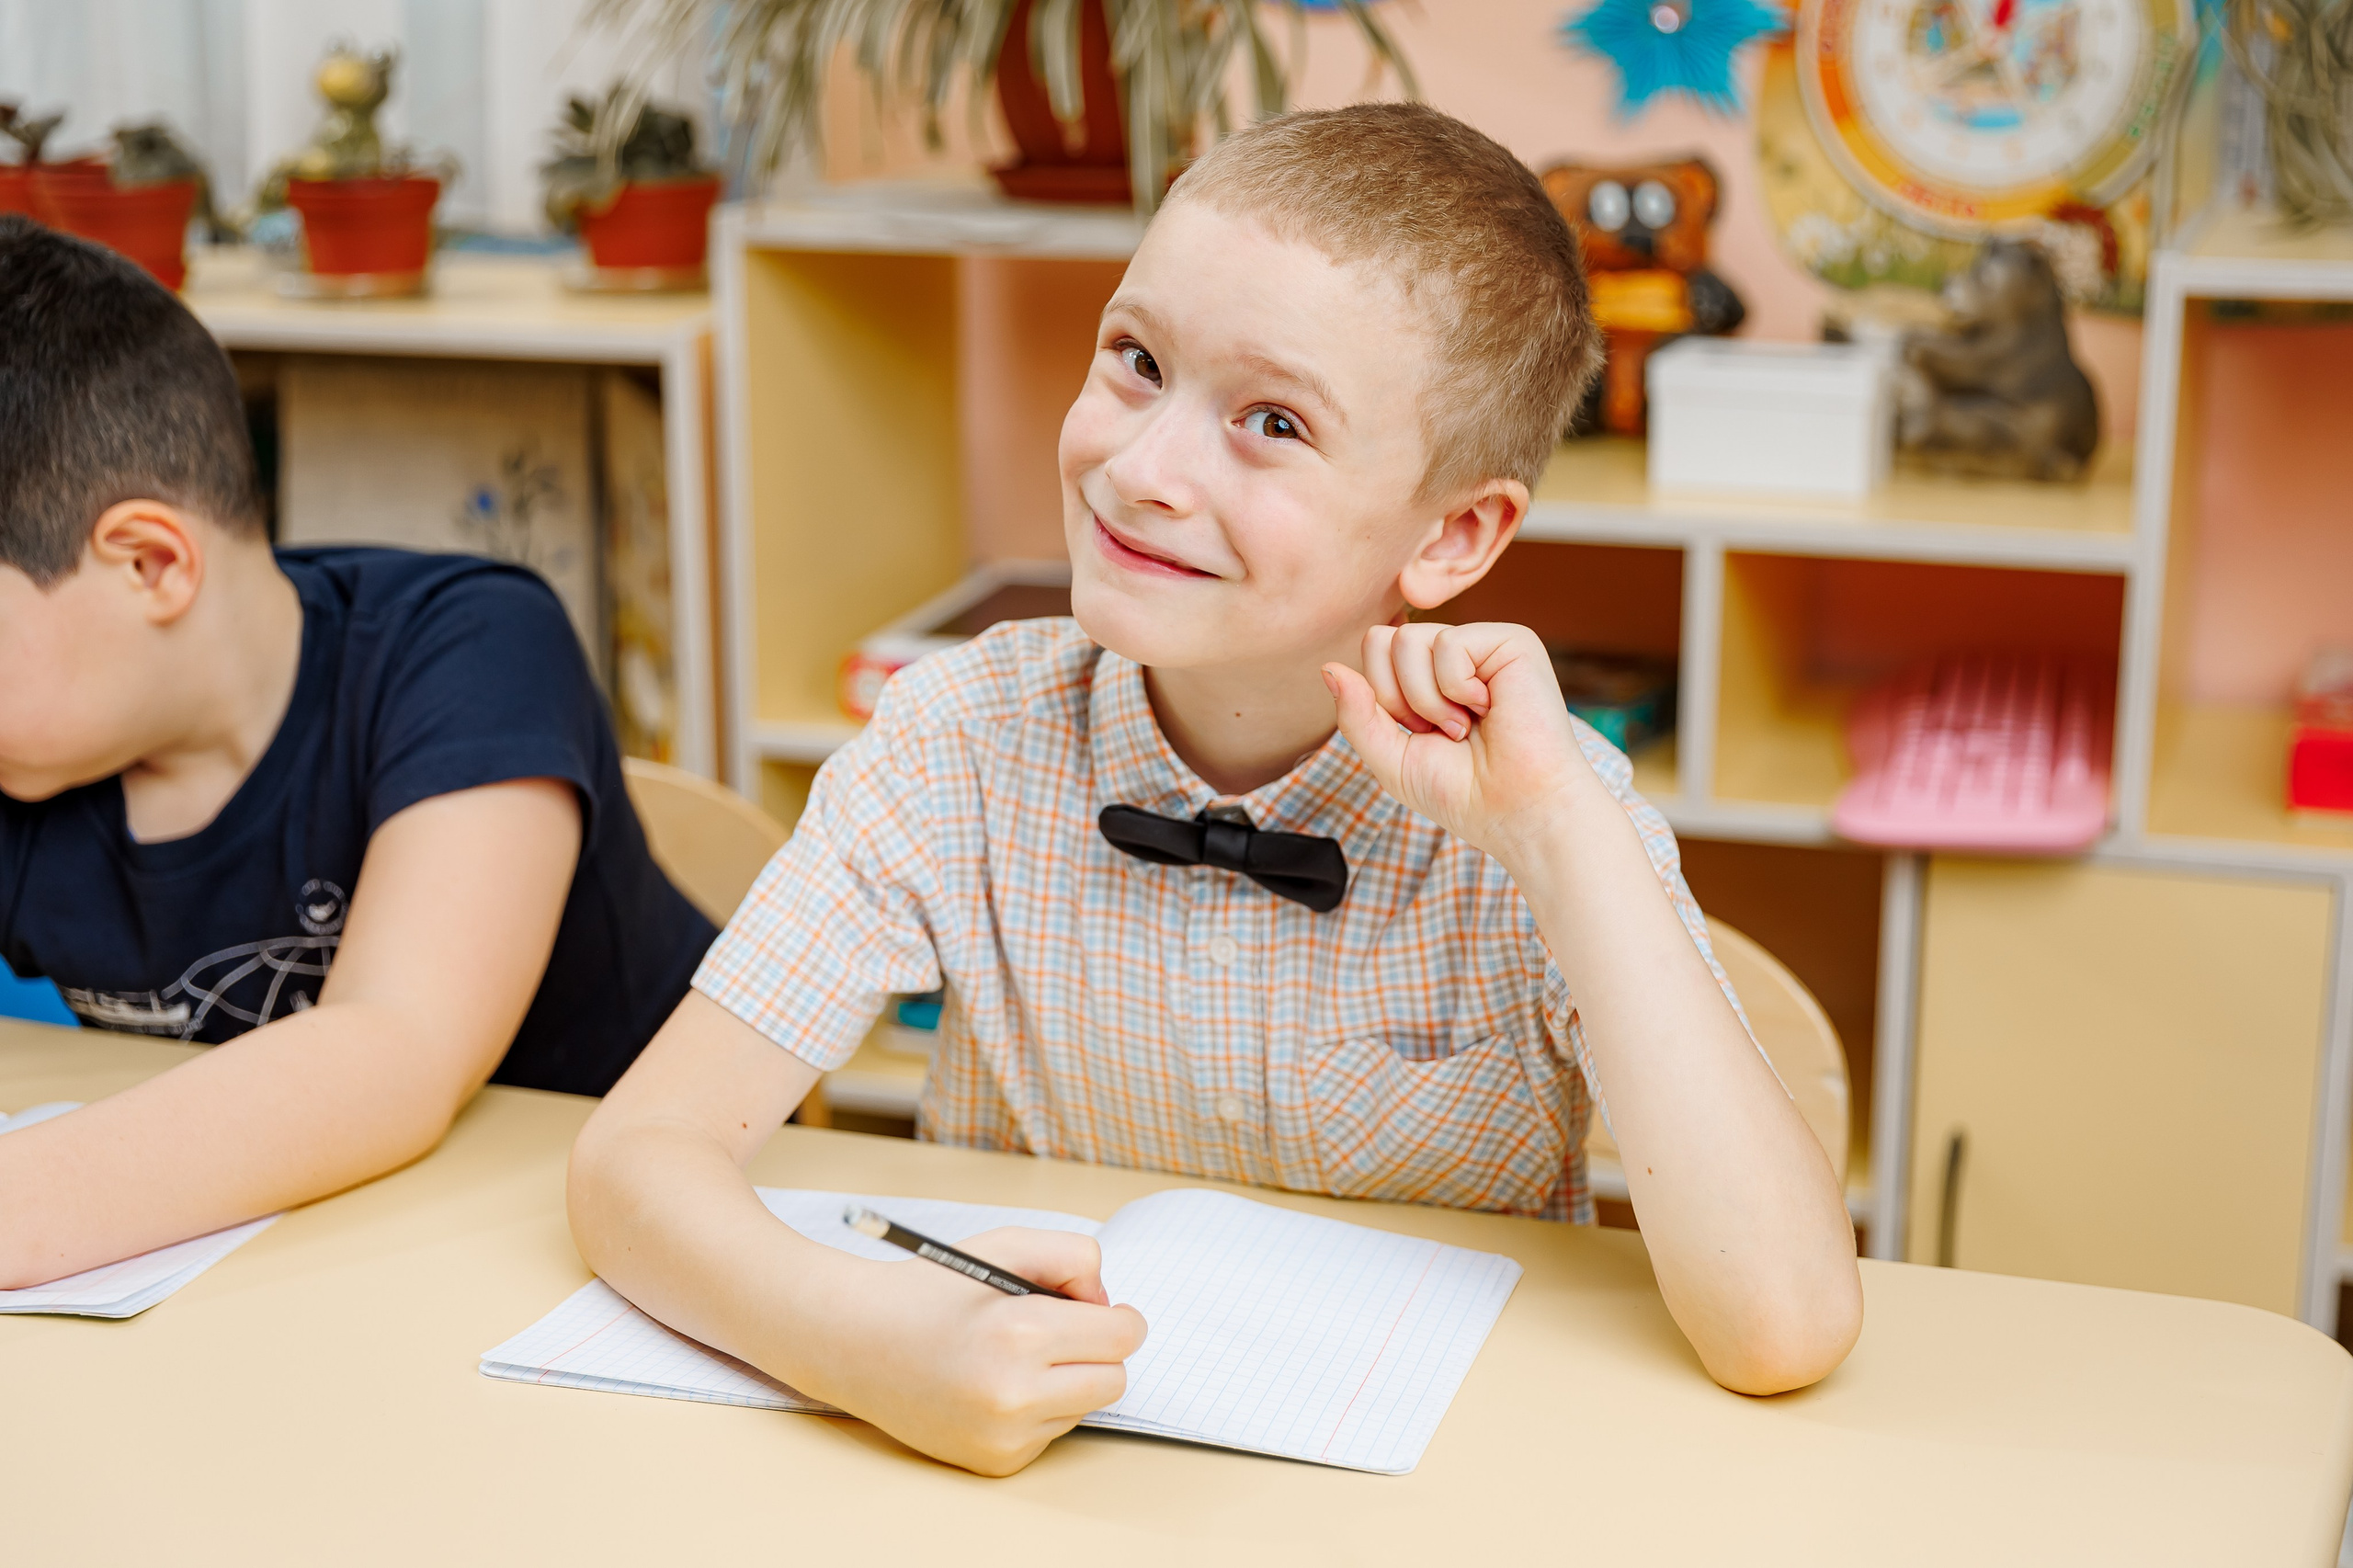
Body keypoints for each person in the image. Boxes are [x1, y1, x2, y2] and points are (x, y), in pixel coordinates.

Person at [568, 103, 1862, 1475]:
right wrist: (861, 1343)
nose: (1141, 470)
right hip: (1034, 1470)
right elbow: (636, 1156)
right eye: (1136, 361)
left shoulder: (1543, 806)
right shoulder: (955, 738)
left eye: (1273, 422)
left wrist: (1559, 838)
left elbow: (1780, 1324)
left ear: (1452, 535)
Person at [0, 216, 714, 1289]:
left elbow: (393, 1048)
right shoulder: (40, 748)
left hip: (616, 1245)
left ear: (150, 563)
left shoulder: (474, 646)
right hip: (302, 1260)